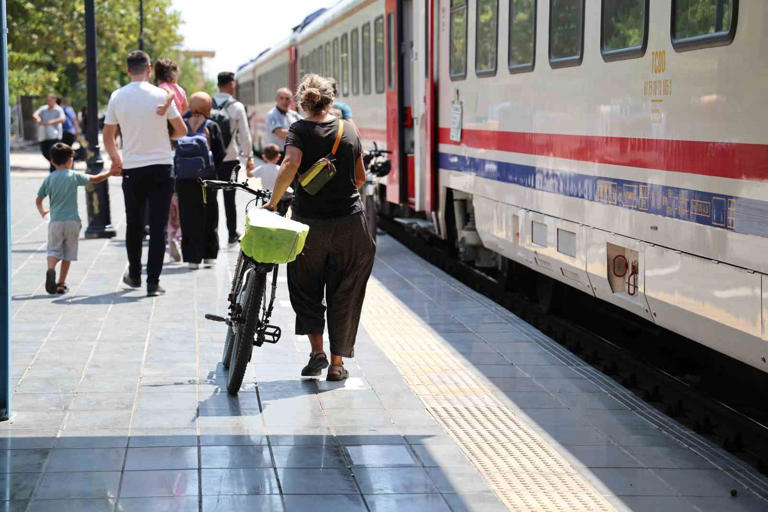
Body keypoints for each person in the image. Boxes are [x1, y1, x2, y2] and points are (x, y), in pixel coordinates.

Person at [262, 74, 375, 382]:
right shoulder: (348, 129)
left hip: (309, 225)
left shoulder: (298, 129)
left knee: (306, 287)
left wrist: (274, 203)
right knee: (344, 292)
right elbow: (361, 177)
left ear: (302, 101)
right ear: (330, 99)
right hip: (351, 225)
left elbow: (290, 164)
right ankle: (338, 364)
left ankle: (317, 353)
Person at [103, 50, 187, 297]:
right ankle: (153, 282)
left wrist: (117, 160)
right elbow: (181, 131)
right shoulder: (161, 95)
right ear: (149, 69)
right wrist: (164, 137)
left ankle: (135, 276)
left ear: (128, 70)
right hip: (162, 167)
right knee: (159, 225)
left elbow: (108, 136)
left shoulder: (117, 96)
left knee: (135, 225)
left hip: (133, 168)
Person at [35, 143, 112, 294]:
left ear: (52, 161)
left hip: (55, 221)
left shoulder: (49, 179)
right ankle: (61, 283)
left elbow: (38, 200)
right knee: (67, 254)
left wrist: (43, 211)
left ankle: (51, 269)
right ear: (70, 160)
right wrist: (110, 172)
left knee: (53, 250)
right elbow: (96, 179)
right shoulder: (73, 175)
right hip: (72, 222)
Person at [176, 92, 226, 269]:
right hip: (206, 180)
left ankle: (192, 258)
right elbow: (220, 154)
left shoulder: (181, 124)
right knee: (209, 215)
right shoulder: (211, 126)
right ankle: (209, 255)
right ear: (208, 108)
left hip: (183, 181)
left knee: (188, 216)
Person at [212, 71, 255, 245]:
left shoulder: (209, 104)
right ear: (232, 84)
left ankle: (211, 232)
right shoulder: (237, 107)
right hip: (230, 159)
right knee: (230, 199)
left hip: (212, 160)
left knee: (211, 198)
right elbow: (245, 134)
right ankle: (231, 232)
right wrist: (249, 156)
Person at [155, 58, 188, 262]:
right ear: (173, 72)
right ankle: (179, 235)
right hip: (179, 144)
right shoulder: (181, 91)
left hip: (161, 145)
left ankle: (169, 236)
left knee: (166, 200)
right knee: (178, 197)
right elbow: (181, 117)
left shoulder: (157, 90)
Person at [32, 94, 66, 172]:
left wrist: (51, 122)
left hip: (55, 136)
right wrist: (38, 118)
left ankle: (54, 169)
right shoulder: (43, 108)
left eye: (50, 100)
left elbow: (63, 119)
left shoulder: (58, 109)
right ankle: (55, 165)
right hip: (44, 135)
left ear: (54, 100)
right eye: (48, 100)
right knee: (45, 152)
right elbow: (35, 114)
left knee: (52, 153)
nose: (49, 102)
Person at [265, 87, 301, 154]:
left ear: (291, 100)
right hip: (276, 155)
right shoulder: (272, 115)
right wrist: (299, 132)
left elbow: (306, 124)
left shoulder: (294, 114)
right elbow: (280, 133)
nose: (284, 101)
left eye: (287, 98)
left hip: (290, 153)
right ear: (276, 99)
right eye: (281, 98)